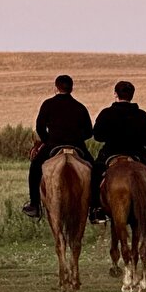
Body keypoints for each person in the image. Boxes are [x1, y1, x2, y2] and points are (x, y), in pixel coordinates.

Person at [22, 75, 93, 218]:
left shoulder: (48, 104)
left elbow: (40, 127)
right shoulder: (80, 107)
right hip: (77, 145)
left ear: (56, 88)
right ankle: (95, 206)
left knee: (35, 167)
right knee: (96, 168)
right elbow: (89, 132)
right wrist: (77, 139)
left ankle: (34, 205)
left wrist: (49, 140)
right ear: (71, 88)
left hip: (53, 144)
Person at [89, 81, 146, 220]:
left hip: (111, 153)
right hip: (137, 154)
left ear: (115, 94)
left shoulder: (106, 113)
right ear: (132, 95)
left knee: (95, 172)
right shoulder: (141, 115)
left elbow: (97, 136)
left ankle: (97, 208)